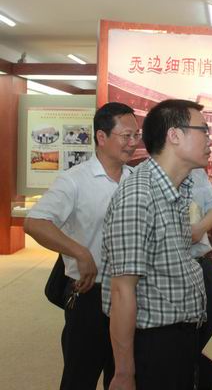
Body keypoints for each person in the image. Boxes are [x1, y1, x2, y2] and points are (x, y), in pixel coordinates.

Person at [24, 102, 140, 390]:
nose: (133, 143)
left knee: (122, 376)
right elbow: (35, 222)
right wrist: (80, 252)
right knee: (80, 377)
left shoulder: (135, 181)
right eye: (126, 136)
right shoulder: (75, 180)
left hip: (129, 296)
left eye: (136, 136)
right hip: (90, 295)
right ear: (101, 137)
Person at [101, 99, 209, 390]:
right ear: (174, 135)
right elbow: (122, 290)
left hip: (178, 339)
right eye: (203, 130)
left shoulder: (176, 187)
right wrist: (125, 373)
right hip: (153, 346)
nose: (209, 139)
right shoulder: (139, 196)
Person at [190, 168, 212, 390]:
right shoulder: (143, 177)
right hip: (171, 270)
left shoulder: (197, 174)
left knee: (209, 343)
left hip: (203, 265)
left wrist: (198, 229)